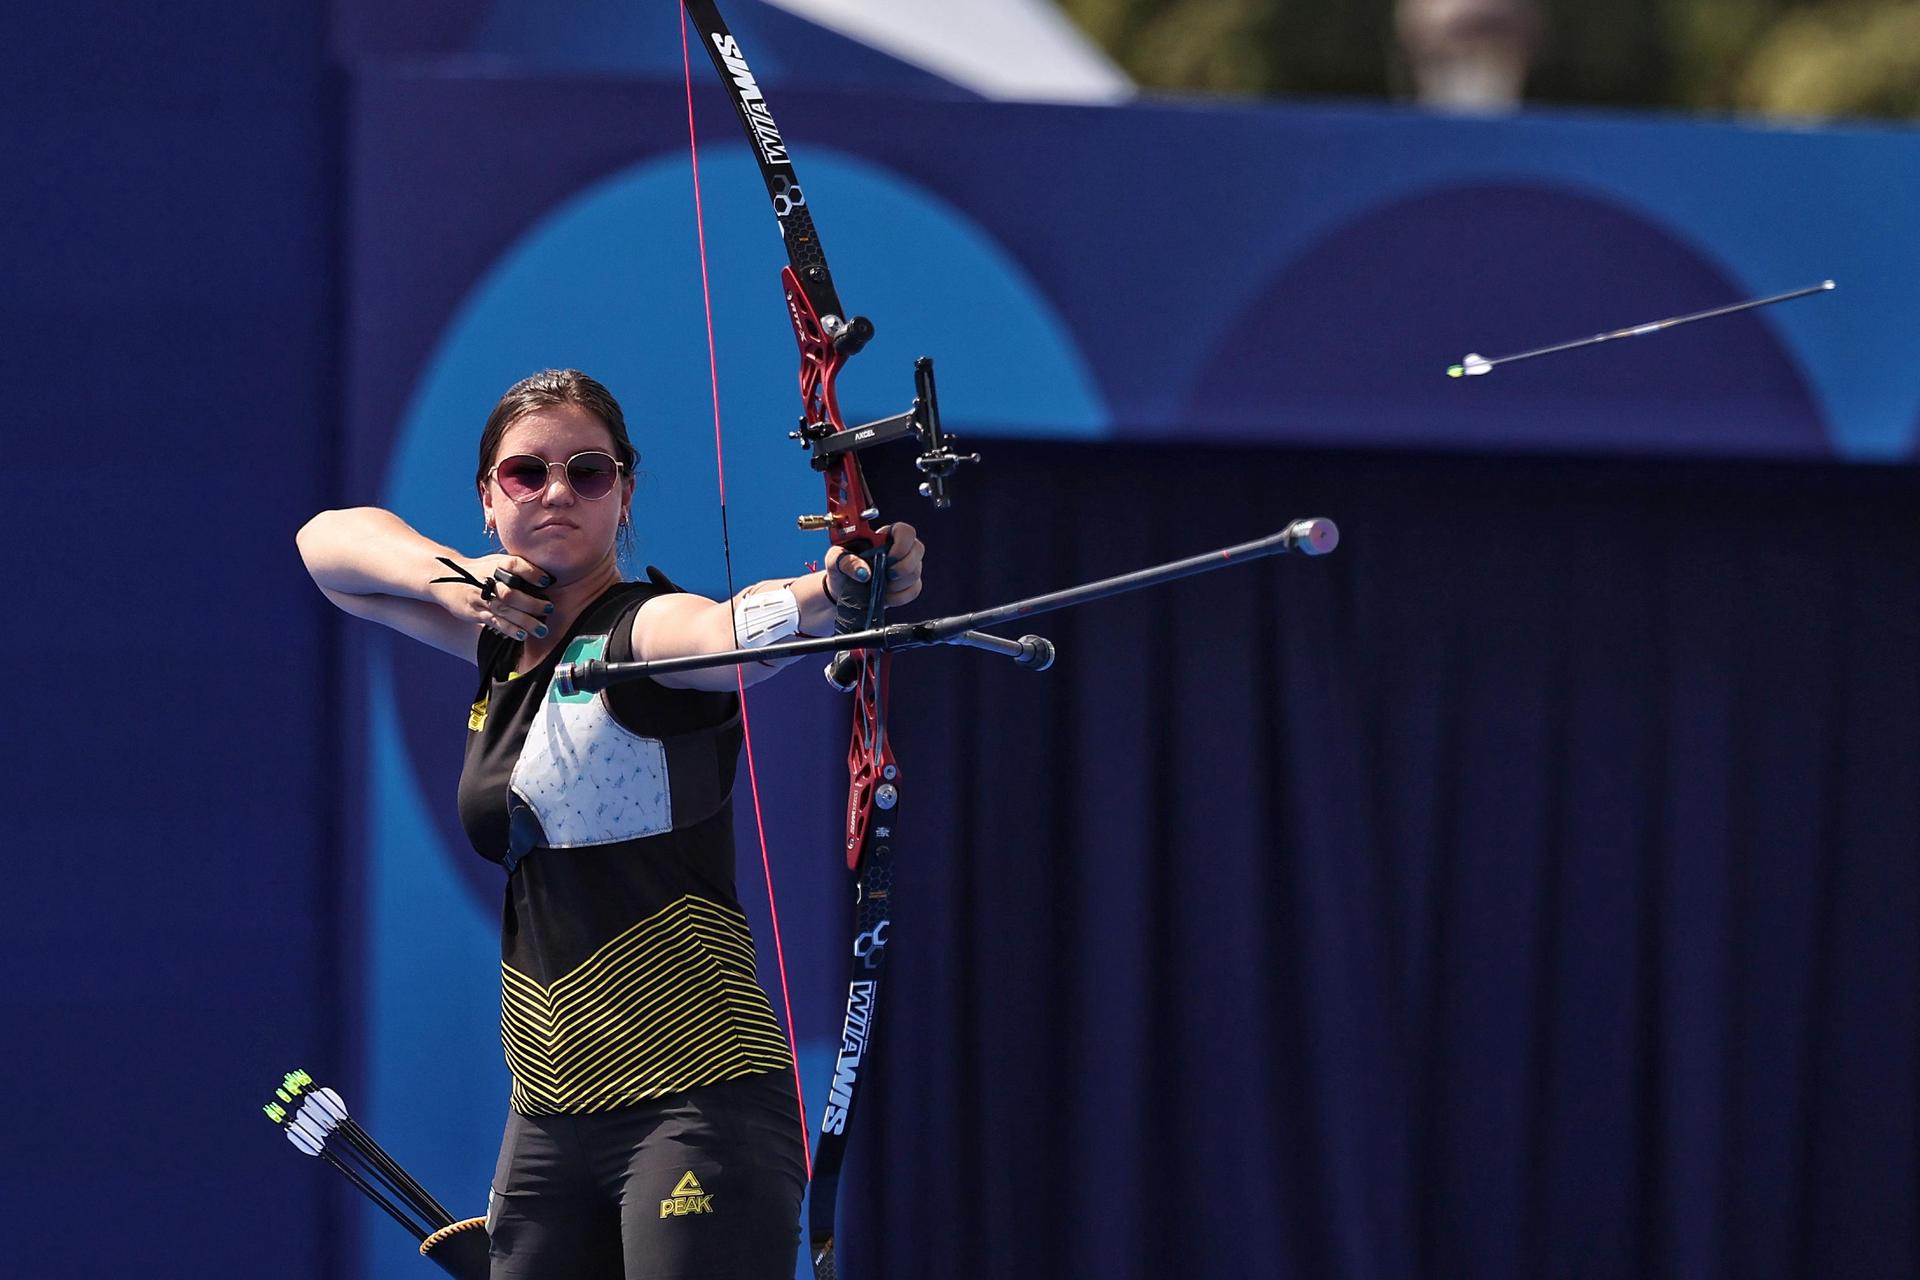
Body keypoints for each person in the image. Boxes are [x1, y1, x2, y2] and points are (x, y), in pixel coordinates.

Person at [297, 368, 925, 1279]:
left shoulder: (643, 633)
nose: (557, 492)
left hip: (697, 1102)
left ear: (624, 492)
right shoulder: (497, 641)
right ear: (488, 498)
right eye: (527, 473)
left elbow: (723, 634)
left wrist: (833, 589)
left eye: (588, 472)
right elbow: (328, 548)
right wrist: (462, 582)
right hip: (548, 1120)